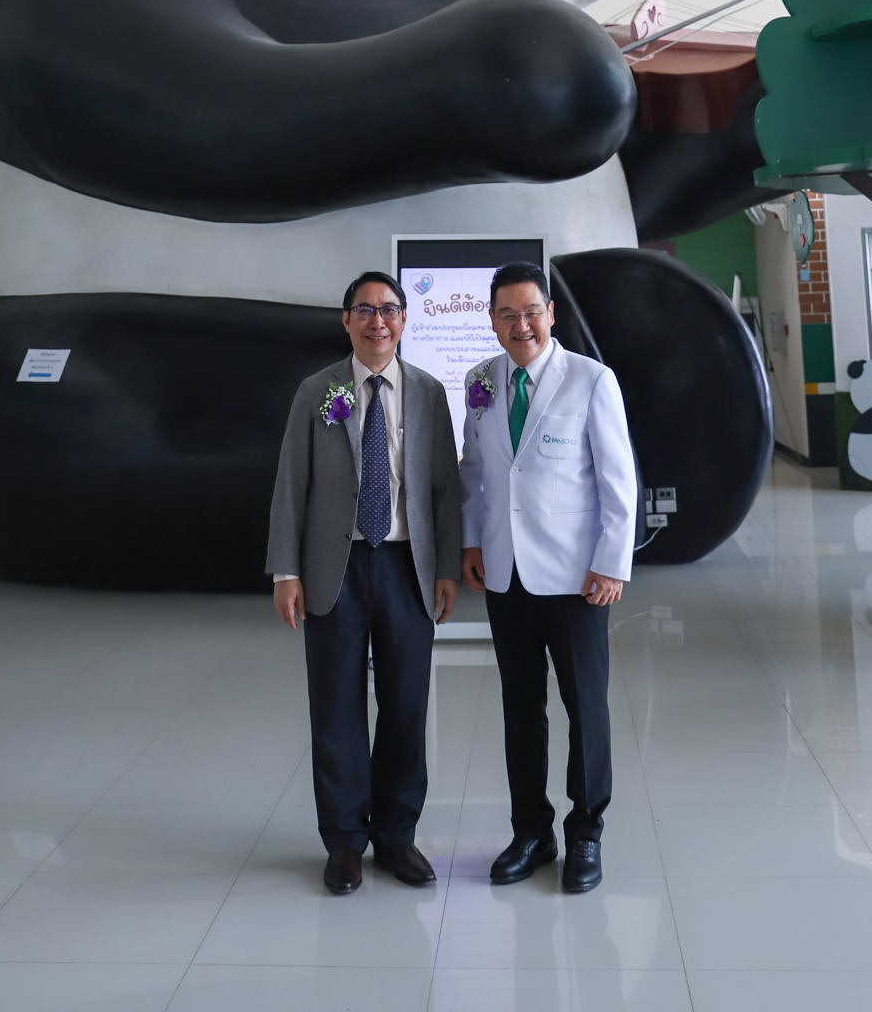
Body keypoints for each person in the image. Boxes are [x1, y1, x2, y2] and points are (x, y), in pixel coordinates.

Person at [267, 271, 461, 895]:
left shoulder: (429, 392)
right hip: (336, 567)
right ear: (346, 320)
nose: (378, 321)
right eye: (365, 310)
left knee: (406, 706)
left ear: (404, 320)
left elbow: (444, 490)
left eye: (389, 309)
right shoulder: (318, 391)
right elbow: (291, 483)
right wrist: (286, 571)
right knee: (336, 709)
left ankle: (397, 836)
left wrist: (448, 567)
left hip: (408, 566)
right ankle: (345, 842)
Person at [460, 261, 637, 895]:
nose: (521, 325)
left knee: (585, 707)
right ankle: (531, 832)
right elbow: (474, 470)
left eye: (531, 312)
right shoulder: (481, 380)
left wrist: (611, 561)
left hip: (576, 577)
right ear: (492, 320)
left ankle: (585, 832)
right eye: (507, 314)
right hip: (505, 572)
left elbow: (619, 478)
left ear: (551, 313)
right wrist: (472, 540)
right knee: (520, 708)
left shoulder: (590, 379)